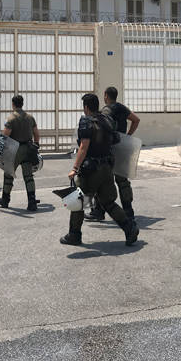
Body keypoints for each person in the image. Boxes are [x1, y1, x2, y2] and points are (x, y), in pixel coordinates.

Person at [61, 93, 139, 246]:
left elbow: (84, 146)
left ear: (86, 107)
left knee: (78, 201)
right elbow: (116, 139)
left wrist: (75, 168)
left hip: (91, 170)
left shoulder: (86, 121)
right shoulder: (107, 120)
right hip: (107, 167)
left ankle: (74, 235)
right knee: (108, 202)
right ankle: (129, 228)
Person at [85, 86, 141, 221]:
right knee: (122, 180)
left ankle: (98, 212)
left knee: (102, 179)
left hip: (110, 149)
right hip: (122, 147)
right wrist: (127, 136)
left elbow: (103, 128)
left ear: (105, 96)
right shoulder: (121, 107)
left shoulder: (106, 111)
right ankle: (128, 211)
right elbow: (136, 120)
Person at [0, 95, 41, 211]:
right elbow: (36, 133)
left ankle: (5, 200)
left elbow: (5, 136)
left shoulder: (11, 119)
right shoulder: (30, 118)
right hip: (28, 149)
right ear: (22, 103)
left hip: (15, 150)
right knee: (28, 176)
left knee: (8, 174)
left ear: (13, 104)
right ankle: (32, 202)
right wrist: (36, 144)